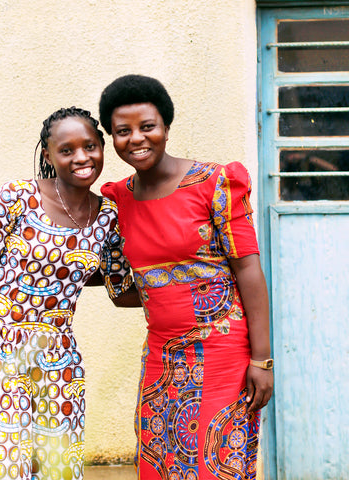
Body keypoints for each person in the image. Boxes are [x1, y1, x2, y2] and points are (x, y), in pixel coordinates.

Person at [0, 106, 139, 480]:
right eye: (67, 150)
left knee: (56, 467)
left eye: (90, 146)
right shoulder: (14, 199)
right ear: (48, 155)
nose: (82, 158)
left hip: (59, 360)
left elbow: (120, 289)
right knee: (0, 463)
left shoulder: (108, 217)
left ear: (102, 147)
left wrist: (185, 282)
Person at [99, 75, 274, 480]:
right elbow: (123, 290)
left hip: (224, 356)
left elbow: (248, 268)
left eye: (148, 127)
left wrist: (261, 359)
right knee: (159, 466)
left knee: (217, 468)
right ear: (111, 137)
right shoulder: (118, 201)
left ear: (166, 127)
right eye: (123, 131)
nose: (137, 139)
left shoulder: (214, 184)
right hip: (161, 359)